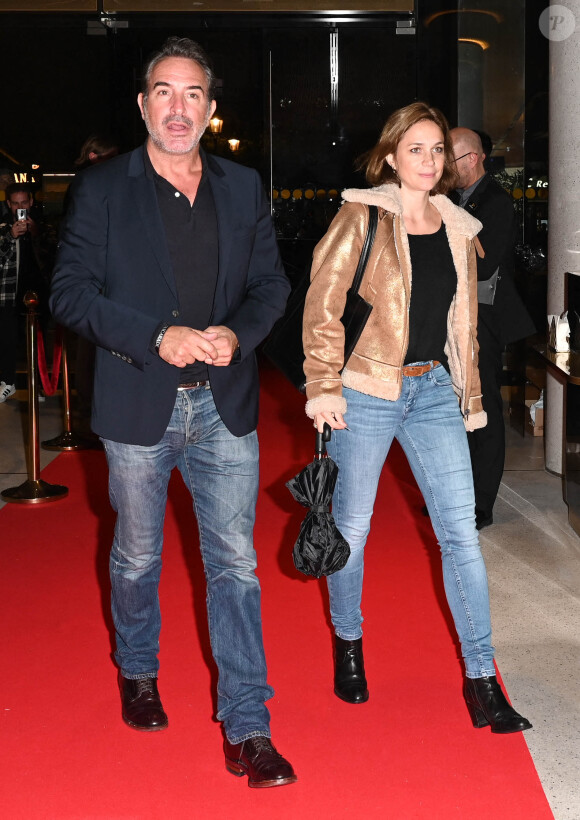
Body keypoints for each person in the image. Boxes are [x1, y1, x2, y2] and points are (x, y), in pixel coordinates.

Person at [50, 36, 296, 788]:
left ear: (211, 108)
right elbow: (70, 294)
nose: (178, 106)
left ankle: (249, 726)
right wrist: (158, 336)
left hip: (224, 406)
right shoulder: (102, 188)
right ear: (143, 103)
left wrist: (236, 333)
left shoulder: (245, 187)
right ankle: (137, 668)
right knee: (138, 556)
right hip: (138, 403)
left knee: (235, 567)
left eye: (193, 94)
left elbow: (271, 288)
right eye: (164, 91)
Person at [302, 102, 531, 734]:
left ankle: (482, 679)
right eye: (417, 149)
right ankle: (349, 642)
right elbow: (321, 303)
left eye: (438, 151)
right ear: (391, 155)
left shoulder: (459, 224)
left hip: (431, 390)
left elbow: (464, 324)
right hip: (368, 388)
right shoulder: (363, 214)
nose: (430, 161)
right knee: (353, 526)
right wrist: (324, 386)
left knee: (460, 533)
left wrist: (469, 392)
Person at [449, 127, 536, 529]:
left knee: (483, 409)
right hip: (456, 318)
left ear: (475, 158)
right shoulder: (455, 199)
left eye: (451, 158)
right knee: (456, 410)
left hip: (483, 321)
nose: (445, 166)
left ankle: (482, 503)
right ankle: (457, 496)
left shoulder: (496, 203)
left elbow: (481, 265)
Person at [0, 182, 51, 403]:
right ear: (9, 204)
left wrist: (36, 233)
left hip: (39, 293)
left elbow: (54, 253)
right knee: (7, 340)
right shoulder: (3, 227)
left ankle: (39, 386)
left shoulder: (43, 226)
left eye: (24, 202)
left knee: (38, 343)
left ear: (31, 202)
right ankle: (7, 383)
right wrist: (11, 235)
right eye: (16, 204)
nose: (21, 207)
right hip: (9, 293)